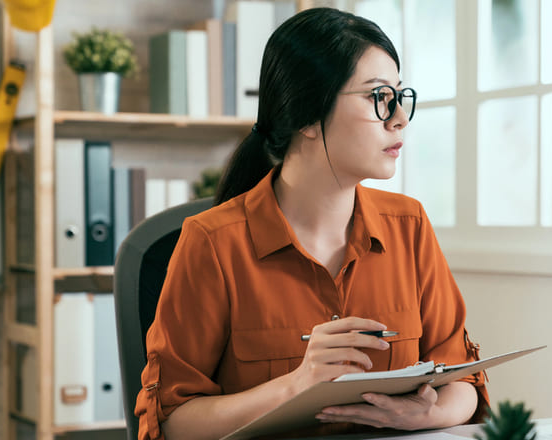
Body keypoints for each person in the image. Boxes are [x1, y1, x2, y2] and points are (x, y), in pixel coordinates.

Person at [135, 7, 487, 440]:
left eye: (400, 96)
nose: (399, 118)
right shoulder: (211, 242)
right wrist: (297, 384)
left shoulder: (409, 225)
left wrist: (424, 415)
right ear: (305, 114)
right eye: (378, 96)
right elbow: (173, 423)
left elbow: (463, 381)